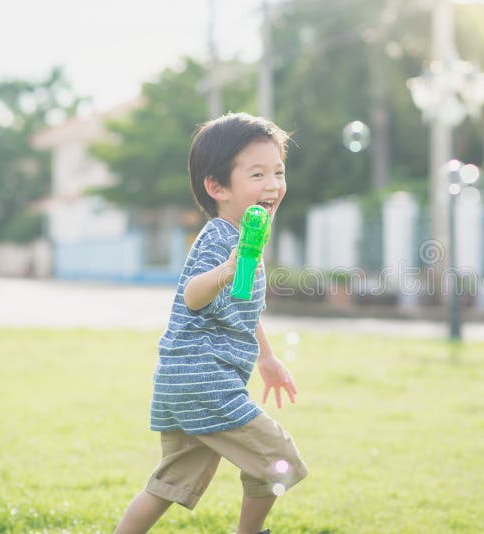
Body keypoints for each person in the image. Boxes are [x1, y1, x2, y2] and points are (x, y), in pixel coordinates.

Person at [114, 112, 307, 534]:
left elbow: (240, 309)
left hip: (184, 380)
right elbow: (194, 294)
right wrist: (232, 264)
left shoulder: (244, 237)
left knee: (170, 485)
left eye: (279, 171)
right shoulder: (220, 237)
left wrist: (268, 358)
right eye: (257, 174)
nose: (273, 184)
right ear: (217, 187)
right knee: (279, 460)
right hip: (205, 381)